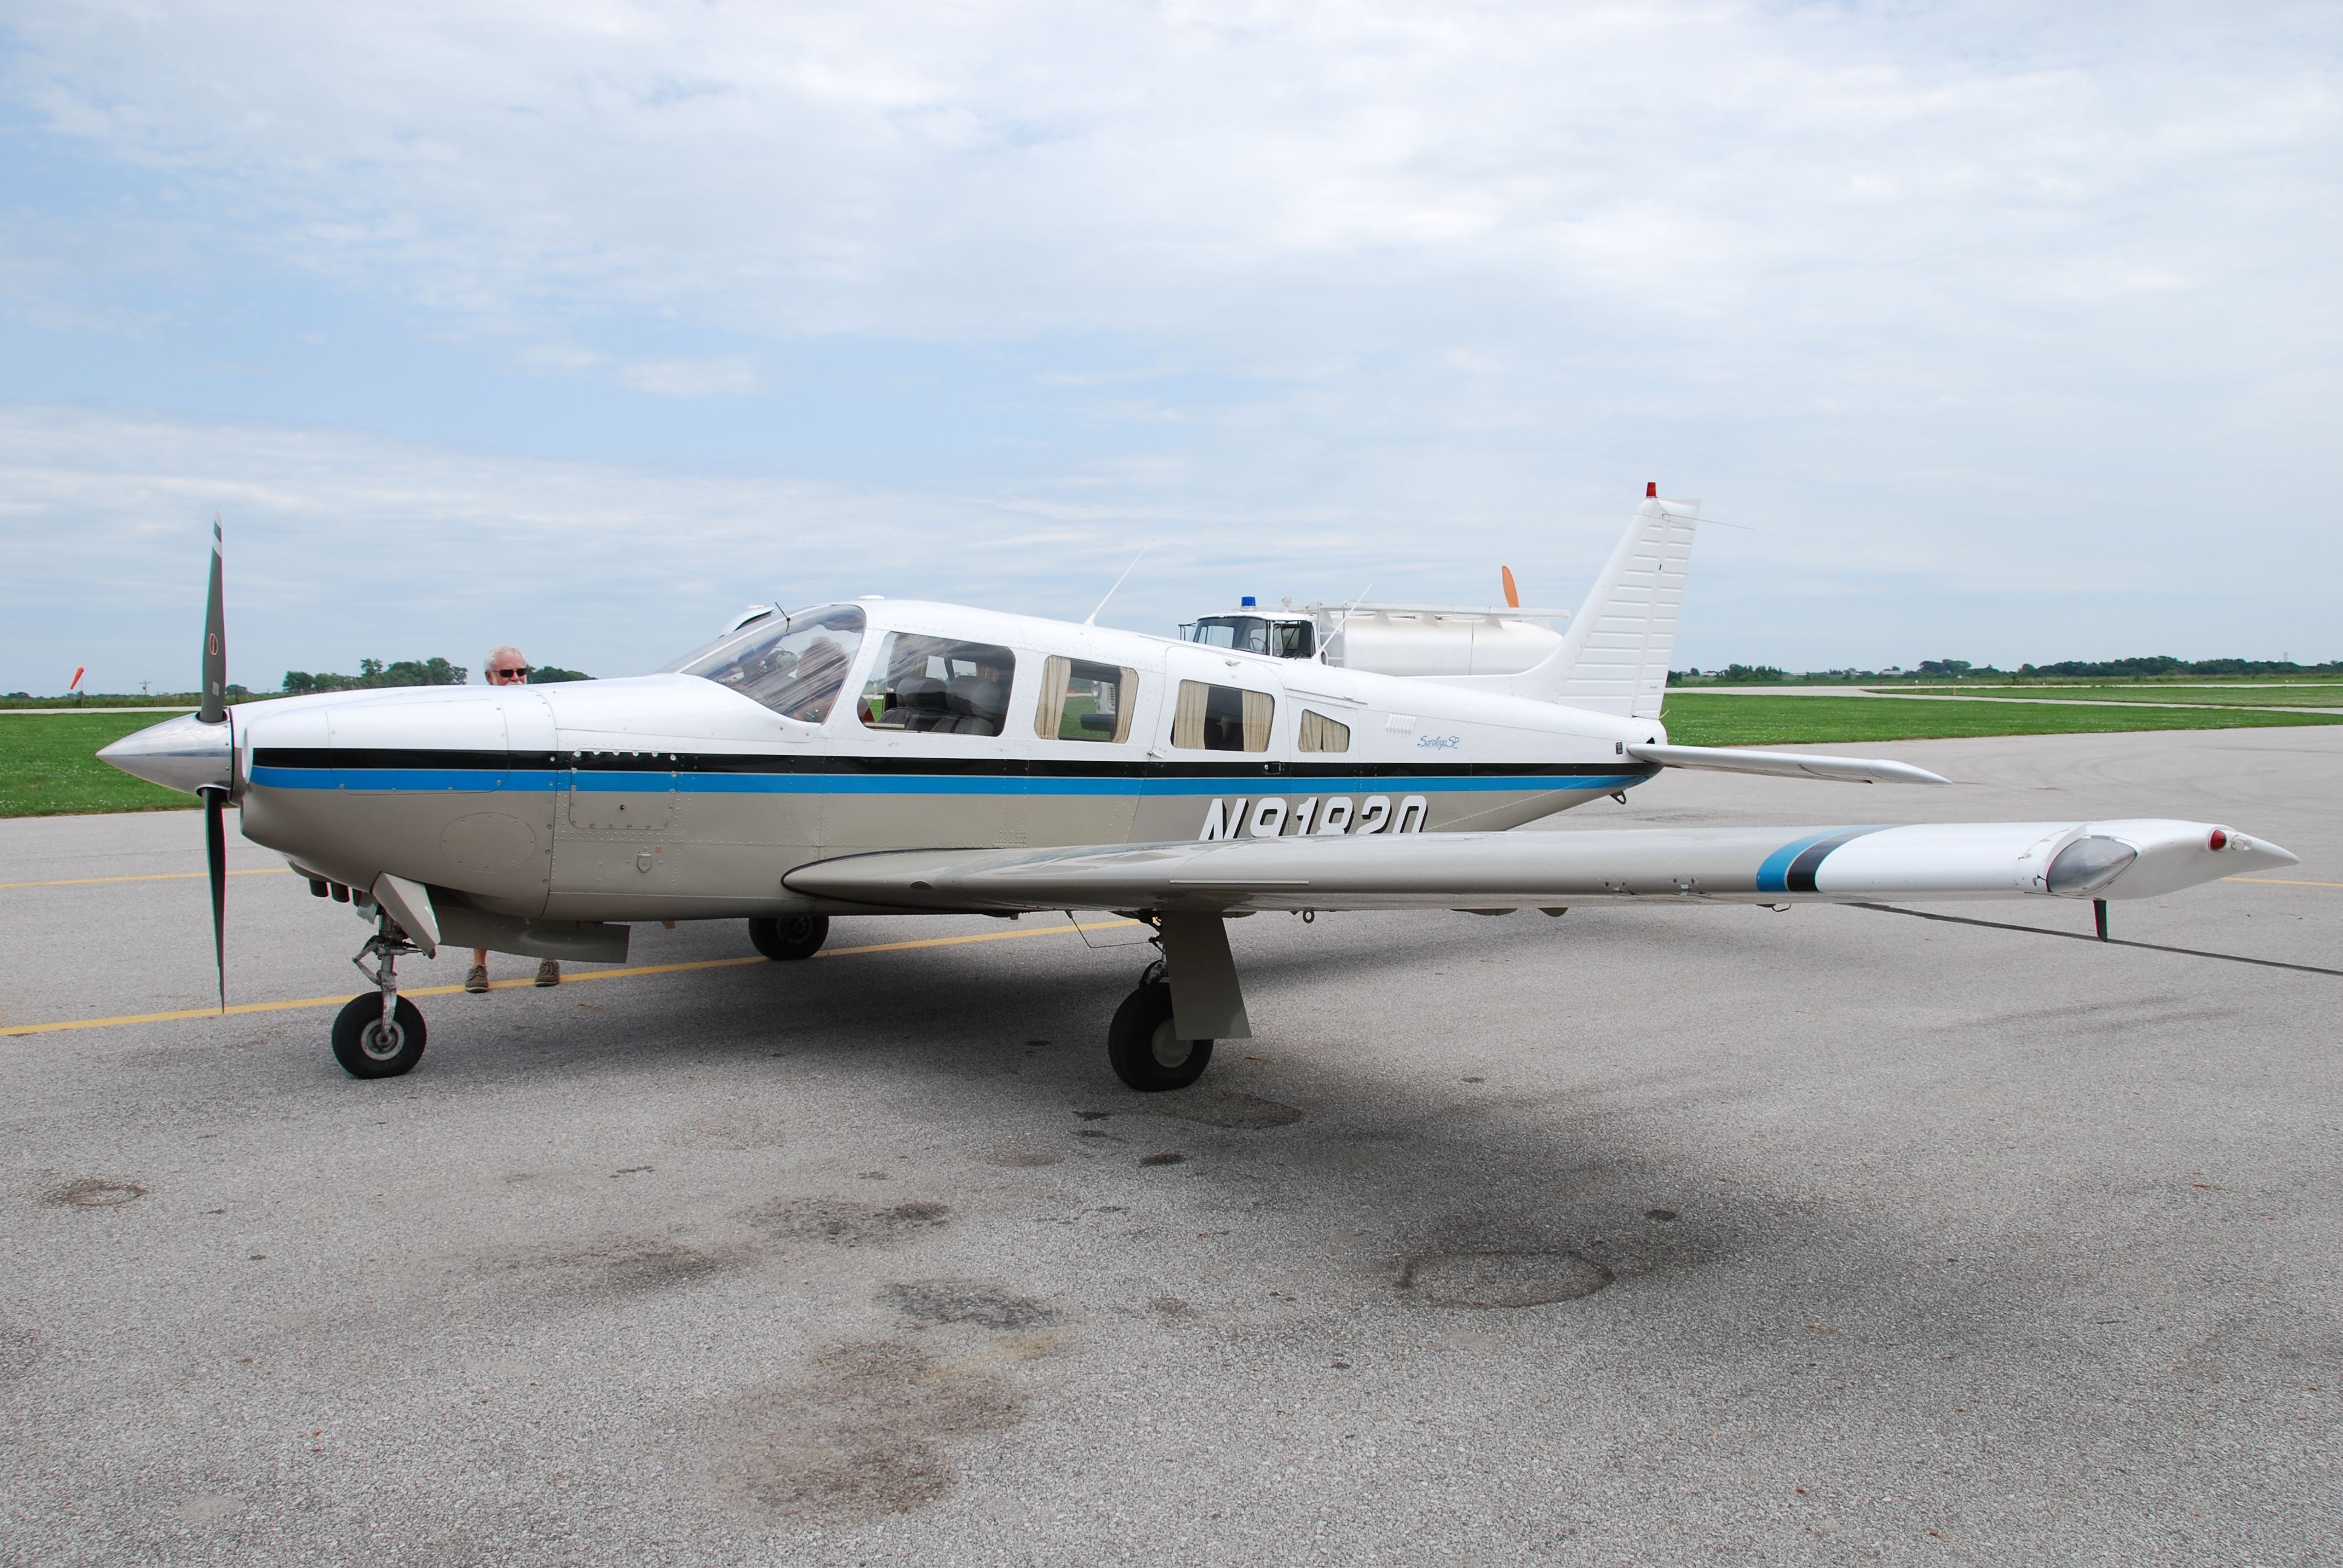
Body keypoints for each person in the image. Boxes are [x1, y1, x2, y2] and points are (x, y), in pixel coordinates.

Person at [465, 645, 560, 993]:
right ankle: (478, 966)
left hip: (533, 814)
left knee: (542, 888)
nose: (516, 679)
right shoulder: (478, 715)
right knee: (482, 890)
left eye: (520, 672)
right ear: (490, 678)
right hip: (488, 816)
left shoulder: (539, 713)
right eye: (507, 674)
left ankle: (549, 957)